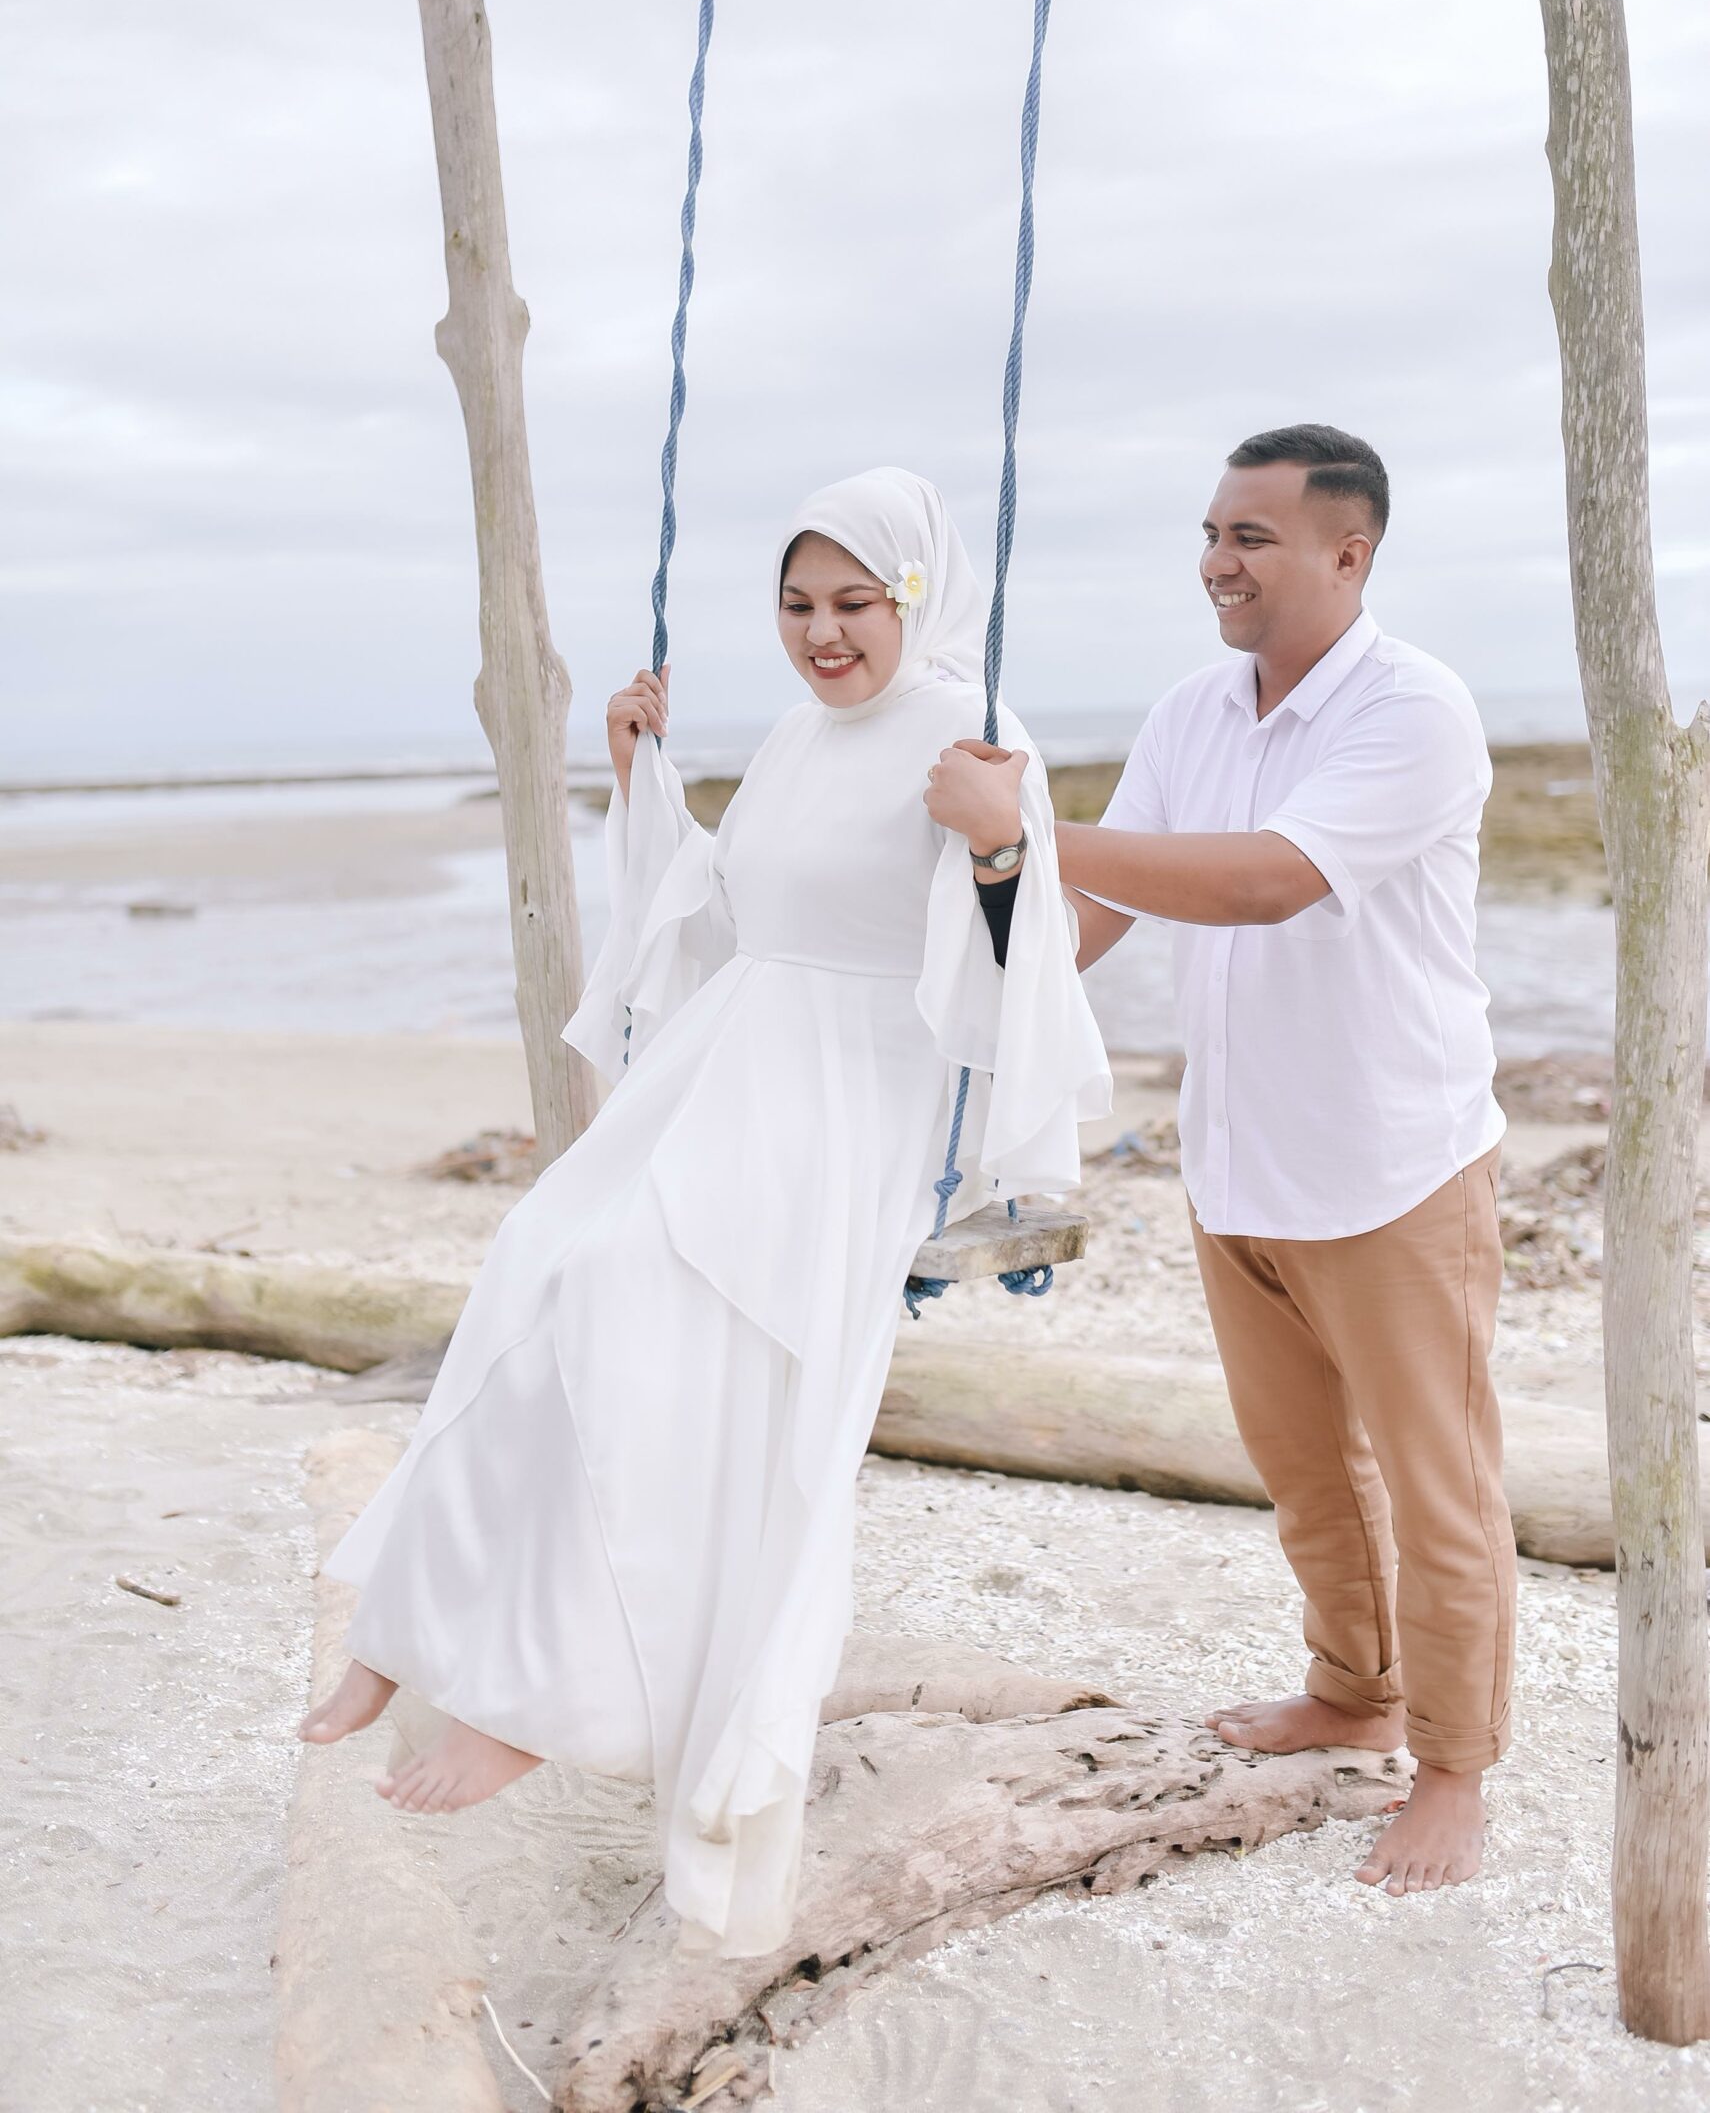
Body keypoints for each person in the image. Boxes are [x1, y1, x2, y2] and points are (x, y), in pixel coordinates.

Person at [297, 466, 1108, 1958]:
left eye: (853, 603)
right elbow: (733, 913)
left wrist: (1000, 845)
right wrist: (644, 785)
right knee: (536, 1266)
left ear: (916, 597)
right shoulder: (799, 736)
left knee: (637, 1318)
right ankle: (405, 1634)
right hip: (731, 1064)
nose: (821, 634)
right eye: (797, 606)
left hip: (848, 1098)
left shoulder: (976, 733)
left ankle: (541, 1704)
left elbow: (1026, 974)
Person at [936, 423, 1513, 1899]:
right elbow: (1091, 924)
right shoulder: (1191, 710)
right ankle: (1354, 1697)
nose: (1216, 562)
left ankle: (1453, 1770)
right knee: (1305, 1472)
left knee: (1439, 1486)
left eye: (1250, 536)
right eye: (1210, 532)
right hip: (1237, 1157)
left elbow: (1266, 880)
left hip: (1396, 1165)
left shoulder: (1417, 708)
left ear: (1348, 552)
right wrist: (990, 890)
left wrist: (1034, 824)